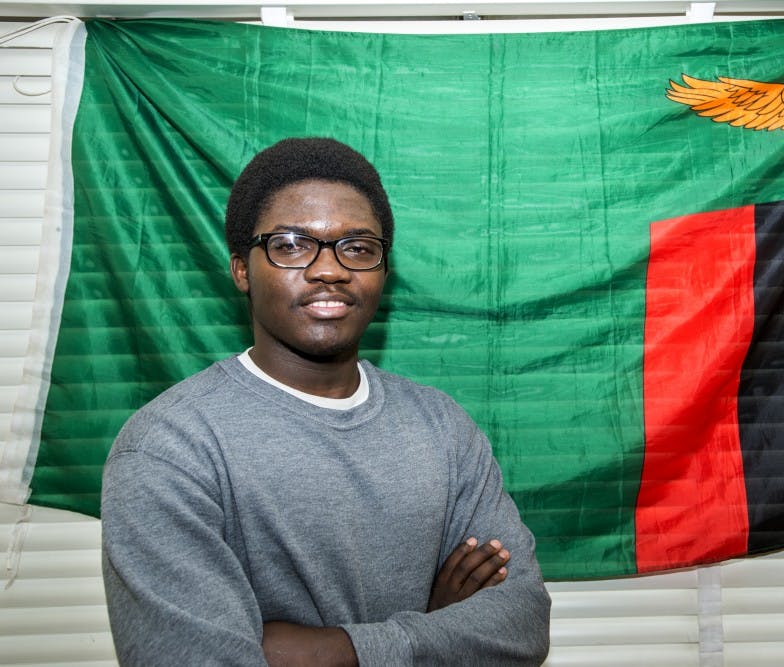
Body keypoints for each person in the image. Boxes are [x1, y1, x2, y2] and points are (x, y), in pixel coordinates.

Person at [101, 137, 552, 666]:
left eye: (358, 247)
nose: (330, 269)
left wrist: (336, 650)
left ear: (384, 269)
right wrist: (437, 635)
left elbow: (522, 624)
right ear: (242, 269)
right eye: (291, 244)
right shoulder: (169, 448)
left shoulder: (442, 427)